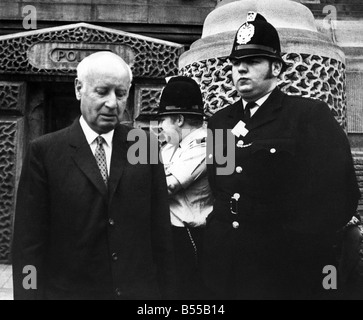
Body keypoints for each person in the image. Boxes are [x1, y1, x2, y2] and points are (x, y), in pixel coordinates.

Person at [203, 12, 361, 300]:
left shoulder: (308, 116)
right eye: (237, 63)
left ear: (275, 68)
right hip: (226, 264)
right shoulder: (221, 121)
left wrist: (300, 244)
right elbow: (222, 185)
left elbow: (340, 195)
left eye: (252, 62)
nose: (241, 70)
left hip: (284, 266)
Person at [12, 51, 175, 300]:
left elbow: (161, 233)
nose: (113, 103)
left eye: (121, 94)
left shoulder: (144, 146)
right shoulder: (44, 152)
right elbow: (28, 245)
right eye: (102, 91)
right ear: (79, 88)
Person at [157, 76, 214, 300]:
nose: (160, 126)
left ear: (179, 119)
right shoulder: (171, 145)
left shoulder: (205, 143)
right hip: (170, 234)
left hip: (190, 237)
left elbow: (166, 186)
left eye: (163, 120)